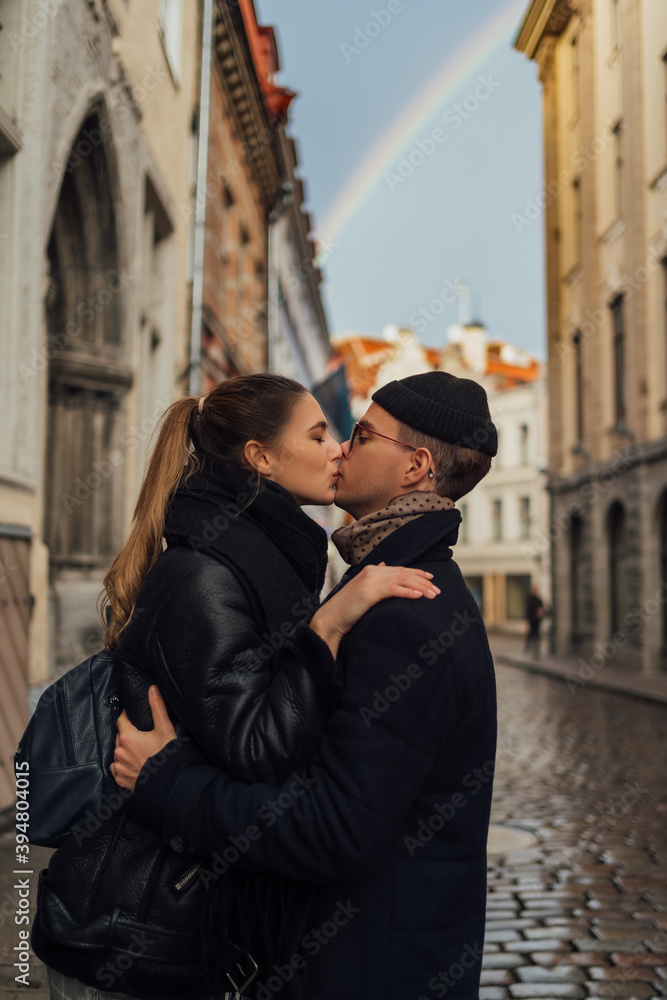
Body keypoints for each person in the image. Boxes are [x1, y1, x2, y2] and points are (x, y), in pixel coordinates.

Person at [31, 373, 439, 1000]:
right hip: (130, 936)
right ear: (260, 458)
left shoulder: (262, 556)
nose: (338, 450)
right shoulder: (207, 573)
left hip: (181, 925)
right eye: (318, 434)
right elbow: (261, 749)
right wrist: (328, 624)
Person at [113, 371, 499, 1000]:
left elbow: (333, 831)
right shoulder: (378, 584)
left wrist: (165, 779)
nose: (343, 448)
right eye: (329, 433)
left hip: (371, 970)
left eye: (360, 434)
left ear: (415, 468)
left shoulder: (406, 607)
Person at [525, 583, 545, 657]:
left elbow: (541, 608)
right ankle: (528, 649)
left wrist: (540, 613)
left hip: (537, 620)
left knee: (536, 634)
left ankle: (535, 649)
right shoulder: (530, 599)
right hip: (532, 620)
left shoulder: (538, 599)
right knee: (531, 634)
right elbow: (529, 609)